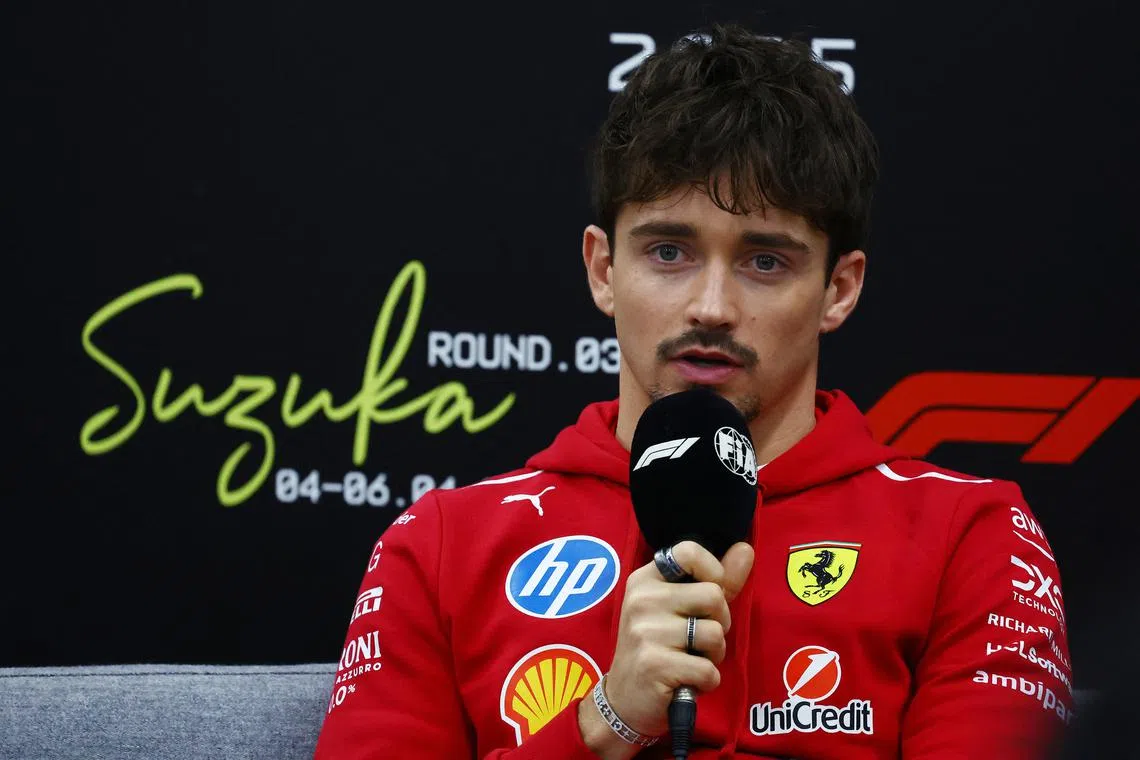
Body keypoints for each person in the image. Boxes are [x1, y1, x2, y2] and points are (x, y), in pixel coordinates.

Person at [313, 24, 1073, 759]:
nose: (711, 305)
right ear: (604, 270)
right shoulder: (441, 543)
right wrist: (603, 725)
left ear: (838, 290)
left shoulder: (970, 534)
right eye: (669, 251)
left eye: (765, 261)